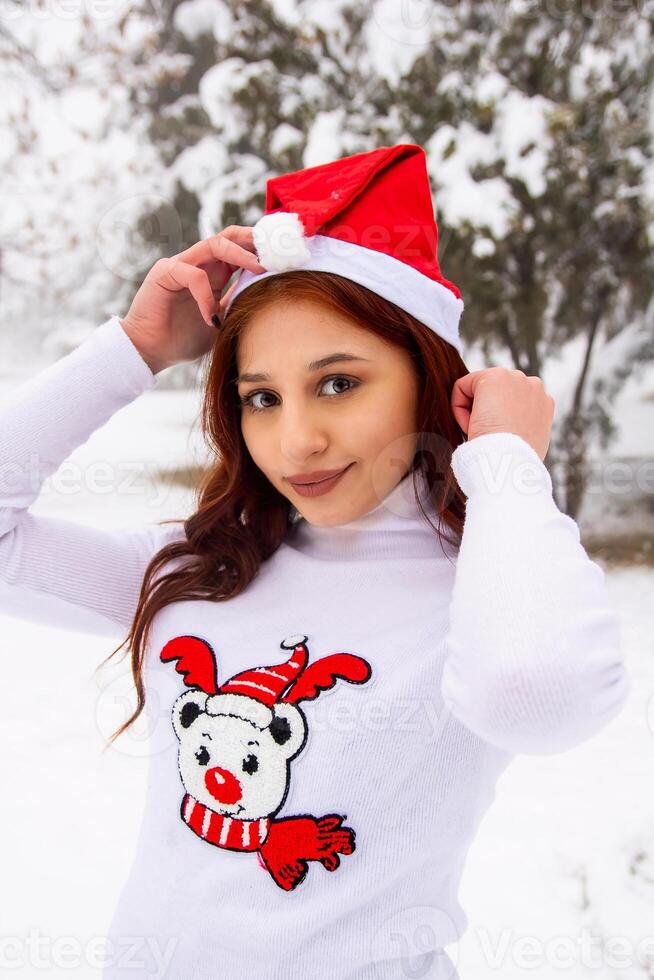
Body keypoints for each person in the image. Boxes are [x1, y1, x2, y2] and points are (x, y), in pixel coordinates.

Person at [0, 144, 629, 980]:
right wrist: (133, 350)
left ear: (428, 375)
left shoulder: (491, 585)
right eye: (262, 397)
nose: (296, 441)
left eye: (338, 383)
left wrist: (507, 463)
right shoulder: (204, 572)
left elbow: (536, 697)